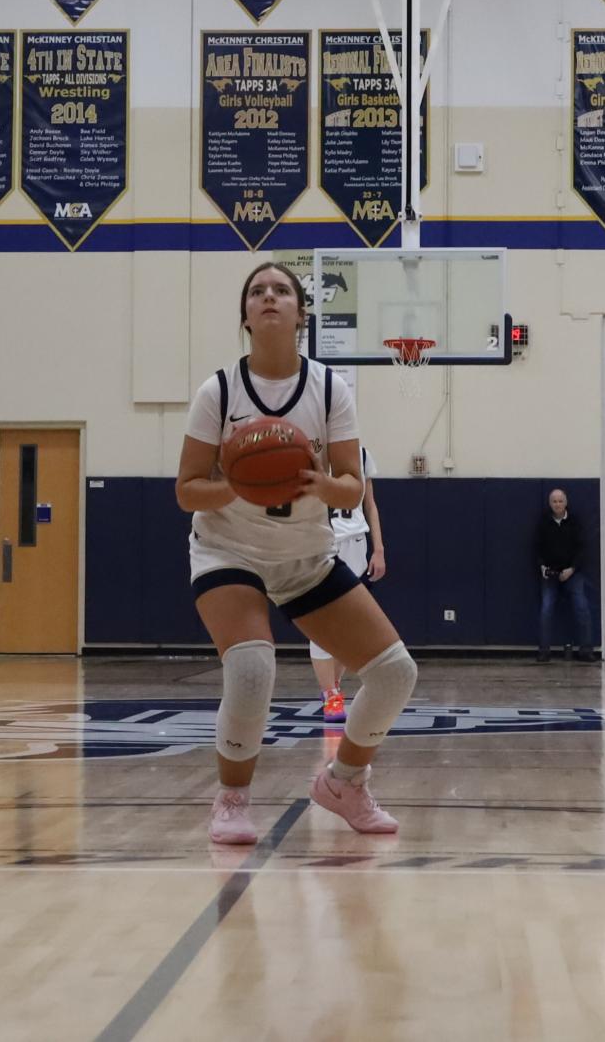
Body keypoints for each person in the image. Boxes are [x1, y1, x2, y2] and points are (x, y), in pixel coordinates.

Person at [176, 262, 418, 845]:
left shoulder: (330, 388)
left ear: (300, 314)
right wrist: (237, 485)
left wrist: (316, 482)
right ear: (246, 316)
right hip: (227, 551)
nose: (269, 297)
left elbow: (352, 485)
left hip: (306, 555)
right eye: (257, 291)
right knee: (253, 666)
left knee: (394, 675)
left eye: (281, 290)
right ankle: (231, 800)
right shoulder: (219, 391)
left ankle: (344, 784)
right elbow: (186, 490)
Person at [312, 446, 384, 722]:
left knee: (350, 625)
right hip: (321, 543)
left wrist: (378, 549)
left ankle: (335, 686)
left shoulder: (362, 453)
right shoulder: (312, 449)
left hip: (356, 543)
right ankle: (330, 693)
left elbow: (370, 504)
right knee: (319, 622)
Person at [537, 488, 594, 662]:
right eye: (554, 501)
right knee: (546, 609)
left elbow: (582, 549)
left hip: (572, 572)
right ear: (550, 503)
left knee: (582, 607)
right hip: (551, 574)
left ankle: (586, 650)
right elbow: (537, 548)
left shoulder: (575, 523)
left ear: (566, 503)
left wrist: (572, 569)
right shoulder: (543, 523)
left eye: (560, 501)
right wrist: (542, 567)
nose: (557, 504)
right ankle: (544, 651)